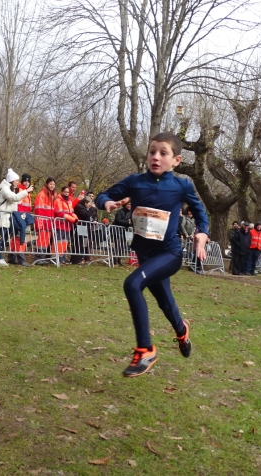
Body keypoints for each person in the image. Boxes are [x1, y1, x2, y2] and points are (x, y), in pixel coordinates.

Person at [96, 132, 209, 378]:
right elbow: (101, 196)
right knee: (165, 302)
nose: (156, 157)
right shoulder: (134, 182)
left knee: (132, 284)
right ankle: (182, 331)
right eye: (152, 152)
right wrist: (107, 203)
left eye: (163, 153)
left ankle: (145, 350)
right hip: (146, 256)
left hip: (169, 254)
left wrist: (202, 233)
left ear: (176, 160)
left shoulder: (182, 186)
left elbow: (200, 213)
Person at [0, 168, 30, 266]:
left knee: (4, 238)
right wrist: (26, 191)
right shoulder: (5, 189)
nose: (17, 182)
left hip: (7, 218)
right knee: (0, 238)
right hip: (2, 217)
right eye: (16, 180)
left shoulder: (11, 189)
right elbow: (14, 198)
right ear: (11, 180)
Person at [33, 178, 56, 264]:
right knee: (42, 240)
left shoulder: (53, 195)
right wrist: (40, 221)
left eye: (53, 184)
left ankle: (41, 257)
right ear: (47, 184)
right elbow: (38, 209)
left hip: (49, 222)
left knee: (46, 241)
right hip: (43, 221)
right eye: (50, 184)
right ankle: (38, 257)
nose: (52, 186)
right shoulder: (41, 194)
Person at [54, 185, 79, 264]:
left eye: (68, 192)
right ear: (62, 192)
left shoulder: (69, 201)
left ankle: (62, 257)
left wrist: (76, 218)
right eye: (65, 192)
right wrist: (72, 219)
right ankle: (56, 257)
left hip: (67, 225)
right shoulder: (58, 200)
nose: (66, 193)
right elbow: (60, 213)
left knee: (64, 242)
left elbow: (71, 212)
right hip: (60, 224)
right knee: (59, 241)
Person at [72, 195, 93, 264]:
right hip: (81, 226)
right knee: (79, 242)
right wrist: (89, 210)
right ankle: (76, 259)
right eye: (90, 203)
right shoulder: (79, 207)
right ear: (85, 203)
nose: (90, 205)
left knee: (83, 243)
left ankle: (81, 258)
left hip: (85, 227)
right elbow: (85, 215)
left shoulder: (84, 208)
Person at [111, 199, 132, 265]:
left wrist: (130, 223)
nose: (129, 206)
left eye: (130, 204)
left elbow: (132, 222)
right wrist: (127, 222)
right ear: (125, 205)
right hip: (116, 230)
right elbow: (118, 220)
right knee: (117, 245)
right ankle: (114, 260)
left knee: (123, 246)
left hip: (125, 231)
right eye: (128, 204)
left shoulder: (131, 212)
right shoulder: (119, 211)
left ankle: (119, 260)